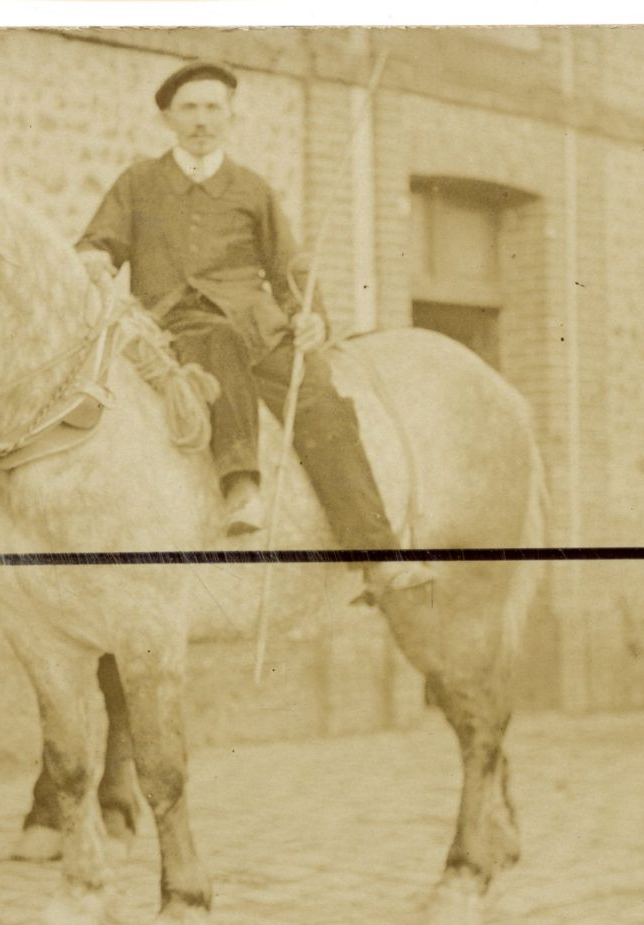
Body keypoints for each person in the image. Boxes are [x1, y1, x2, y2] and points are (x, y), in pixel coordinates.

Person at [75, 59, 432, 597]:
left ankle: (376, 555)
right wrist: (93, 258)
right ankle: (241, 486)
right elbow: (99, 241)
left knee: (322, 402)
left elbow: (288, 265)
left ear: (230, 117)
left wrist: (309, 313)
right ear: (168, 118)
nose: (202, 120)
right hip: (176, 325)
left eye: (213, 108)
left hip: (258, 325)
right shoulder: (139, 183)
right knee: (215, 345)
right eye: (190, 108)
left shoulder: (252, 189)